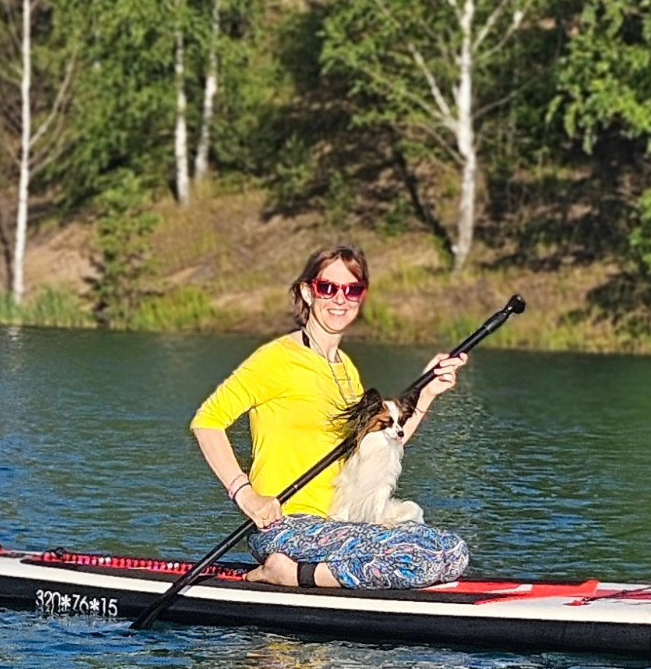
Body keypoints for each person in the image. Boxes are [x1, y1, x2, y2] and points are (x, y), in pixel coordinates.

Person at [190, 244, 470, 590]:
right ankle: (288, 573)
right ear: (308, 292)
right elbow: (207, 421)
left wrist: (427, 392)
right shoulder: (276, 359)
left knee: (452, 551)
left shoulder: (346, 370)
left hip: (342, 522)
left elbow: (381, 443)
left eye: (352, 290)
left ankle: (322, 572)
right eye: (328, 288)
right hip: (287, 526)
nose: (340, 299)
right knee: (419, 557)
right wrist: (246, 495)